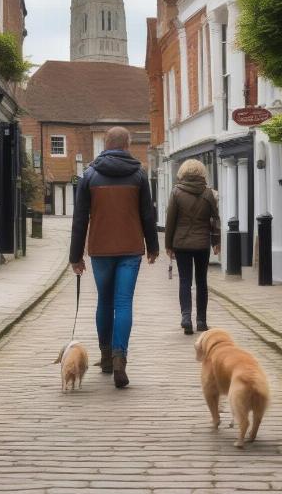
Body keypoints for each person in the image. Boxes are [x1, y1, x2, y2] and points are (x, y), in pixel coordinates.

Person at [70, 126, 159, 388]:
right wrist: (153, 246)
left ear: (105, 145)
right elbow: (147, 215)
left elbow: (79, 219)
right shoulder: (139, 175)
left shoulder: (89, 175)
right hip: (131, 248)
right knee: (124, 303)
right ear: (128, 145)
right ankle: (121, 358)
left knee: (104, 302)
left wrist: (75, 256)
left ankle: (106, 357)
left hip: (100, 249)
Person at [165, 159, 220, 335]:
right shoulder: (209, 193)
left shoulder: (176, 192)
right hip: (202, 243)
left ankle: (186, 317)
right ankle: (202, 321)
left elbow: (170, 221)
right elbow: (215, 219)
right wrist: (216, 241)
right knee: (202, 282)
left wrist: (168, 245)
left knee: (185, 281)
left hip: (181, 244)